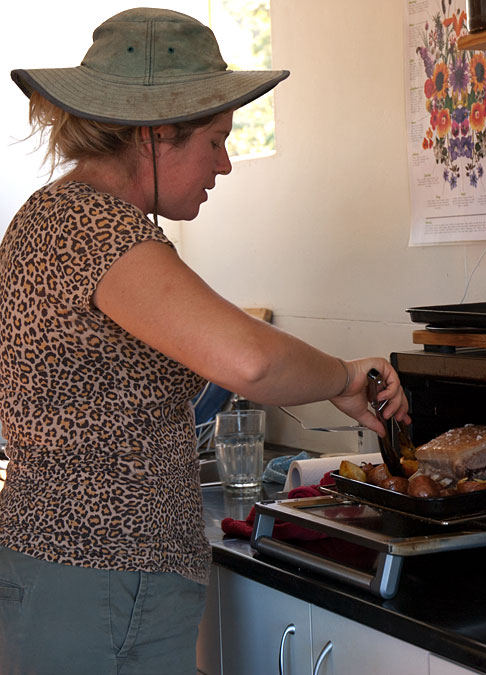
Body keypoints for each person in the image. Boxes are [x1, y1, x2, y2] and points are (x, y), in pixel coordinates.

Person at [0, 7, 410, 675]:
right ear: (158, 133)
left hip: (65, 569)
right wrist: (342, 376)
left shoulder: (50, 216)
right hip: (107, 574)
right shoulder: (98, 228)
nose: (224, 163)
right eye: (215, 139)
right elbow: (249, 359)